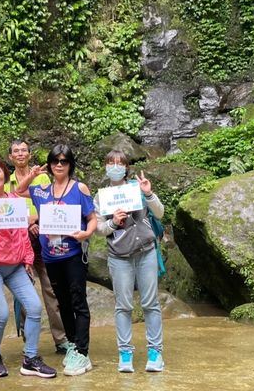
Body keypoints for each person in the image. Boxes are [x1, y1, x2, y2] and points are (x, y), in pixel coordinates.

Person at [0, 156, 57, 379]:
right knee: (0, 314)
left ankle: (30, 359)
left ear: (4, 174)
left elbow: (22, 235)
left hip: (16, 266)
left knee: (35, 308)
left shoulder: (15, 200)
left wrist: (28, 260)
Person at [16, 144, 96, 376]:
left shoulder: (79, 188)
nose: (59, 165)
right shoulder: (42, 190)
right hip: (51, 256)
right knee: (62, 302)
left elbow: (91, 218)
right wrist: (31, 175)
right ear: (49, 166)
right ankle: (72, 344)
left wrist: (87, 233)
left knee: (78, 301)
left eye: (63, 161)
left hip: (73, 254)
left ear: (70, 164)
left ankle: (82, 351)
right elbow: (19, 192)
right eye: (55, 162)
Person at [93, 150, 165, 373]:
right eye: (111, 162)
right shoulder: (101, 197)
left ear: (126, 167)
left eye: (120, 163)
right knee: (123, 306)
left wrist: (149, 193)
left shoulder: (137, 188)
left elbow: (160, 213)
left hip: (146, 252)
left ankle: (155, 353)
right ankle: (125, 353)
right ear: (105, 167)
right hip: (119, 257)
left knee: (150, 303)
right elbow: (99, 230)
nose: (115, 166)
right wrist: (113, 222)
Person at [4, 139, 69, 355]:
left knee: (51, 288)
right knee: (23, 290)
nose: (20, 154)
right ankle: (29, 340)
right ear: (11, 157)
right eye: (16, 151)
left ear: (30, 155)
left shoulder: (42, 177)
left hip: (45, 237)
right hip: (19, 241)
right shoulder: (6, 182)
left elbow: (52, 204)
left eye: (24, 150)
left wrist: (36, 221)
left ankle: (61, 339)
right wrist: (27, 223)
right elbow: (4, 211)